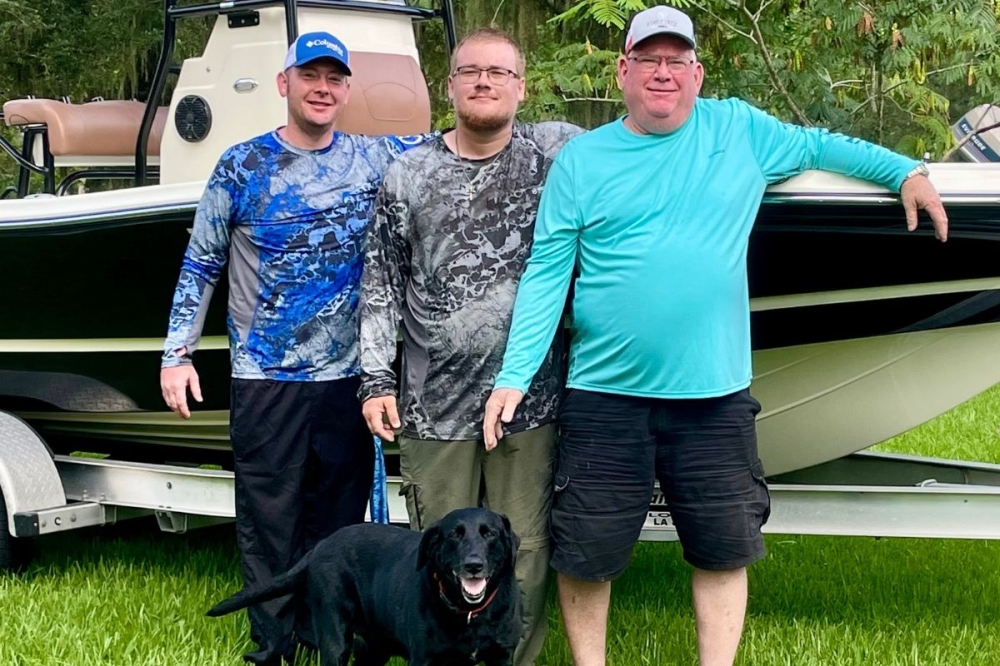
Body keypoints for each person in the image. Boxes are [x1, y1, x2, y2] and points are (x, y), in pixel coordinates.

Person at [482, 6, 948, 666]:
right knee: (588, 551)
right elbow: (547, 273)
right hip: (603, 397)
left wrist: (906, 170)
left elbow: (821, 146)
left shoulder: (740, 130)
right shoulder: (583, 161)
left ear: (697, 73)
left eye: (677, 60)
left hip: (714, 397)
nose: (663, 73)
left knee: (724, 546)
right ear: (624, 71)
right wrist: (514, 375)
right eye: (649, 59)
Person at [160, 31, 432, 666]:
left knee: (337, 519)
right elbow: (201, 264)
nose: (323, 88)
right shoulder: (240, 165)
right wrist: (177, 354)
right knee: (268, 518)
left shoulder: (376, 156)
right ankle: (272, 645)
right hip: (265, 377)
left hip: (347, 379)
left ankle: (323, 632)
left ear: (345, 90)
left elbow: (463, 142)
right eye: (310, 76)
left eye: (335, 78)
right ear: (284, 84)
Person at [358, 28, 583, 666]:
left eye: (498, 72)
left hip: (530, 400)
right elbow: (381, 284)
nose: (483, 82)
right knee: (439, 549)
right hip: (433, 406)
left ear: (521, 87)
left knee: (527, 550)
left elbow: (640, 137)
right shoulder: (408, 173)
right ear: (449, 85)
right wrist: (375, 380)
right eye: (470, 72)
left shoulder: (556, 157)